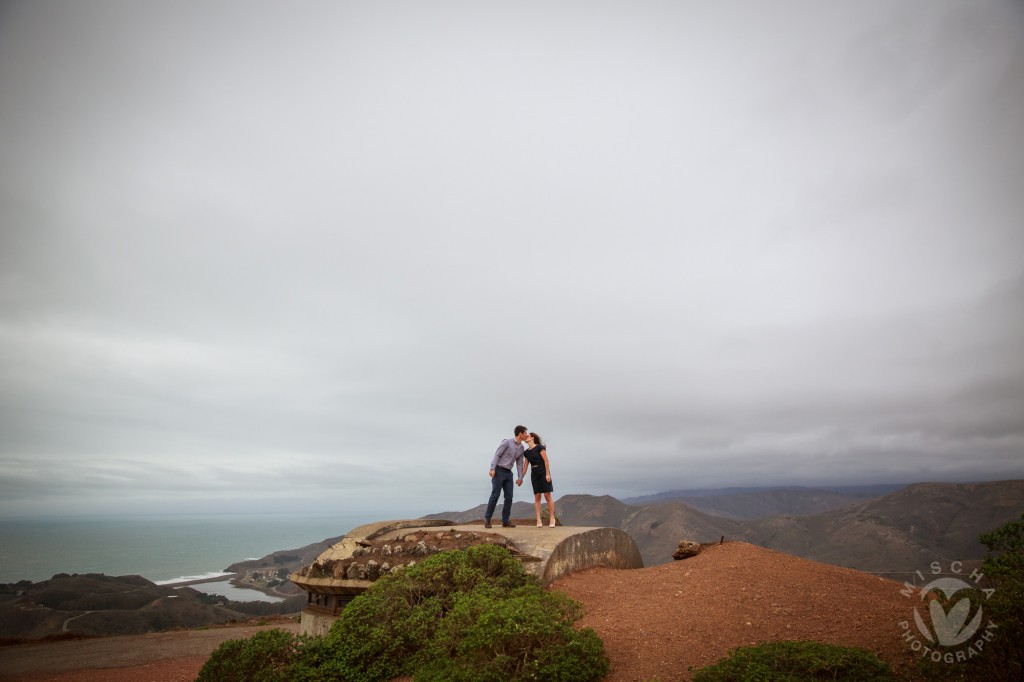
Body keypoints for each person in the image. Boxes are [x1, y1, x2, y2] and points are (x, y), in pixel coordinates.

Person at [484, 425, 527, 528]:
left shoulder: (521, 448)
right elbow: (497, 455)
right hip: (498, 471)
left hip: (508, 474)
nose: (526, 435)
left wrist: (520, 477)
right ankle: (488, 519)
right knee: (495, 495)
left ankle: (505, 521)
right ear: (520, 434)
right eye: (525, 433)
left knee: (509, 497)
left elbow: (520, 463)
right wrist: (492, 468)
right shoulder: (507, 442)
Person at [522, 432, 556, 527]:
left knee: (547, 495)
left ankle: (552, 518)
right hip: (534, 474)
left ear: (532, 437)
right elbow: (525, 466)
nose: (526, 437)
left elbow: (546, 460)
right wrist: (521, 478)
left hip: (543, 472)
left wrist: (547, 474)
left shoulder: (539, 447)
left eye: (527, 436)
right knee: (537, 496)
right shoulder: (526, 452)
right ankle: (538, 519)